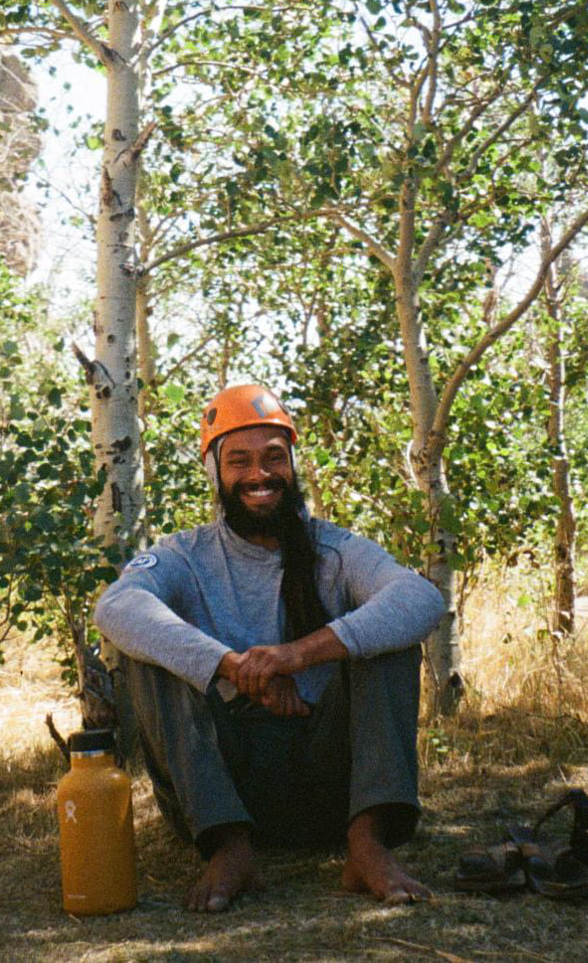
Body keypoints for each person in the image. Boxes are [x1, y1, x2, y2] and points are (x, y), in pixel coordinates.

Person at [94, 382, 445, 912]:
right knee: (148, 650)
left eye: (273, 459)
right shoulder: (183, 555)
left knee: (387, 637)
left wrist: (297, 655)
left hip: (330, 785)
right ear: (215, 472)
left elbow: (420, 597)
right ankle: (230, 848)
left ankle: (366, 843)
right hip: (224, 784)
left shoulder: (336, 549)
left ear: (292, 465)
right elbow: (116, 608)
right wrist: (232, 668)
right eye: (239, 461)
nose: (259, 475)